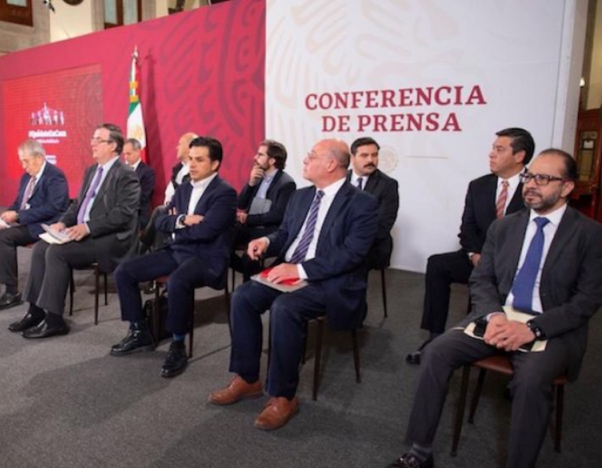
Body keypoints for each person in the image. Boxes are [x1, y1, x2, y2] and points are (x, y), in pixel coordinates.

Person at [388, 150, 602, 468]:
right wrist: (495, 316)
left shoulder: (589, 234)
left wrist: (532, 329)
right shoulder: (504, 227)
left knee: (531, 380)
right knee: (436, 352)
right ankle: (419, 451)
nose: (531, 184)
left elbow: (587, 300)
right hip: (498, 316)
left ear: (567, 187)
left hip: (551, 326)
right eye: (530, 176)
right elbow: (482, 279)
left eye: (543, 179)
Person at [208, 138, 379, 431]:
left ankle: (283, 396)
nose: (305, 160)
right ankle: (248, 378)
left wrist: (300, 269)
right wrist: (266, 241)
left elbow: (352, 254)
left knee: (285, 308)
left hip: (331, 280)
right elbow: (286, 234)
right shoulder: (300, 196)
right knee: (243, 297)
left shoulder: (362, 203)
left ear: (330, 164)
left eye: (311, 156)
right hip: (289, 271)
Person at [111, 136, 237, 378]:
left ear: (215, 164)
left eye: (199, 160)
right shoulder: (184, 188)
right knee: (124, 272)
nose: (192, 164)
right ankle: (139, 330)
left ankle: (178, 345)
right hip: (177, 251)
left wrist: (176, 227)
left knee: (177, 281)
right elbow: (161, 221)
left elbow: (207, 231)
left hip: (206, 258)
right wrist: (182, 219)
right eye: (191, 159)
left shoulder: (225, 193)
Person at [407, 128, 533, 364]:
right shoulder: (479, 186)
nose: (491, 154)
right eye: (493, 148)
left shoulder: (535, 186)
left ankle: (510, 346)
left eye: (499, 149)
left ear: (519, 156)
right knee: (438, 264)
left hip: (517, 266)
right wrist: (475, 256)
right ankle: (434, 336)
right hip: (480, 258)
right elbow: (467, 228)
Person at [8, 123, 140, 339]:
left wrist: (87, 227)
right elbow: (78, 203)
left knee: (57, 253)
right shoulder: (92, 170)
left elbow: (123, 214)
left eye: (98, 140)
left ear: (113, 146)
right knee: (41, 247)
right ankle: (35, 311)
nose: (92, 143)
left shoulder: (125, 174)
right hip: (82, 232)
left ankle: (54, 320)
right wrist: (63, 222)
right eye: (93, 138)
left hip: (109, 239)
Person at [0, 139, 69, 311]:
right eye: (21, 161)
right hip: (25, 220)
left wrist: (19, 216)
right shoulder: (27, 177)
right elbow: (18, 203)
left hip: (44, 225)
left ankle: (11, 292)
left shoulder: (55, 176)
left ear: (39, 158)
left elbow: (53, 208)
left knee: (3, 237)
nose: (23, 166)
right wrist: (4, 218)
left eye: (26, 161)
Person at [231, 139, 296, 280]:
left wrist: (248, 219)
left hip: (267, 230)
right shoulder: (257, 177)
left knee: (249, 257)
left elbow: (278, 215)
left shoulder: (287, 183)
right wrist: (251, 183)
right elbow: (241, 204)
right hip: (249, 227)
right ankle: (259, 274)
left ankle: (254, 283)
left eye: (260, 155)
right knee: (221, 241)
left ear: (272, 161)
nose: (255, 157)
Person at [139, 132, 197, 253]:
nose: (176, 147)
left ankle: (143, 249)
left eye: (180, 144)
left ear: (189, 147)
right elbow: (170, 192)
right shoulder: (178, 169)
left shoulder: (195, 170)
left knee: (160, 212)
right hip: (171, 208)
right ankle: (148, 250)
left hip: (185, 211)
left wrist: (174, 206)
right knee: (162, 214)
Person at [347, 136, 399, 271]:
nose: (370, 160)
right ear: (352, 158)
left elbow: (383, 225)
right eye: (364, 155)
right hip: (340, 242)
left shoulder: (388, 185)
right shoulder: (340, 179)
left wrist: (349, 242)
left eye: (374, 155)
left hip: (371, 246)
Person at [122, 138, 155, 230]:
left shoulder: (147, 172)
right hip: (121, 215)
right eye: (124, 154)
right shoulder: (121, 171)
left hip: (138, 216)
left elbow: (143, 197)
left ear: (137, 152)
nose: (125, 157)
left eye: (128, 154)